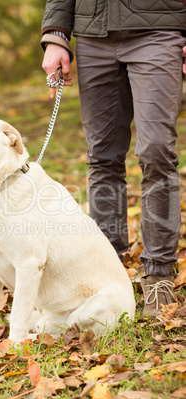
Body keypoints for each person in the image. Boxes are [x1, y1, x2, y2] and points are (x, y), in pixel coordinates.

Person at [41, 0, 186, 317]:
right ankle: (108, 274)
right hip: (93, 33)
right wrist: (56, 33)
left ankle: (159, 275)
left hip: (159, 28)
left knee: (157, 150)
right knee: (102, 157)